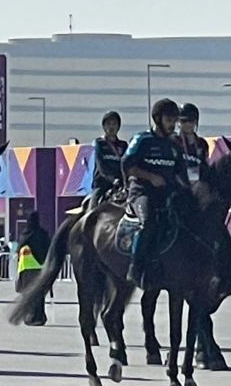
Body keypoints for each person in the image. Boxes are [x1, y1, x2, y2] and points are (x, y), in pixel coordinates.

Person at [121, 98, 188, 289]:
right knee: (149, 221)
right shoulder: (142, 140)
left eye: (175, 120)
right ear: (158, 118)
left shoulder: (174, 145)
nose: (173, 124)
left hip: (167, 195)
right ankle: (135, 267)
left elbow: (181, 173)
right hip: (142, 192)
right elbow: (127, 165)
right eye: (169, 119)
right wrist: (150, 177)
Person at [16, 211, 52, 326]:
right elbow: (49, 248)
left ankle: (29, 317)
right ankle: (39, 317)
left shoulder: (25, 234)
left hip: (27, 268)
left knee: (28, 293)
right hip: (41, 268)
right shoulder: (43, 234)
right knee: (39, 294)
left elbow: (19, 249)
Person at [89, 111, 128, 209]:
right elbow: (101, 166)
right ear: (104, 126)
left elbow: (126, 165)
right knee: (93, 207)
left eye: (114, 124)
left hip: (120, 185)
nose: (111, 127)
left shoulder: (123, 145)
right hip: (102, 184)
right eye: (108, 124)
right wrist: (112, 179)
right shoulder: (99, 143)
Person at [177, 103, 210, 184]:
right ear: (178, 122)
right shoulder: (174, 141)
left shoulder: (202, 143)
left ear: (196, 122)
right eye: (183, 121)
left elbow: (205, 166)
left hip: (198, 185)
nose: (188, 124)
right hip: (178, 186)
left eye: (191, 121)